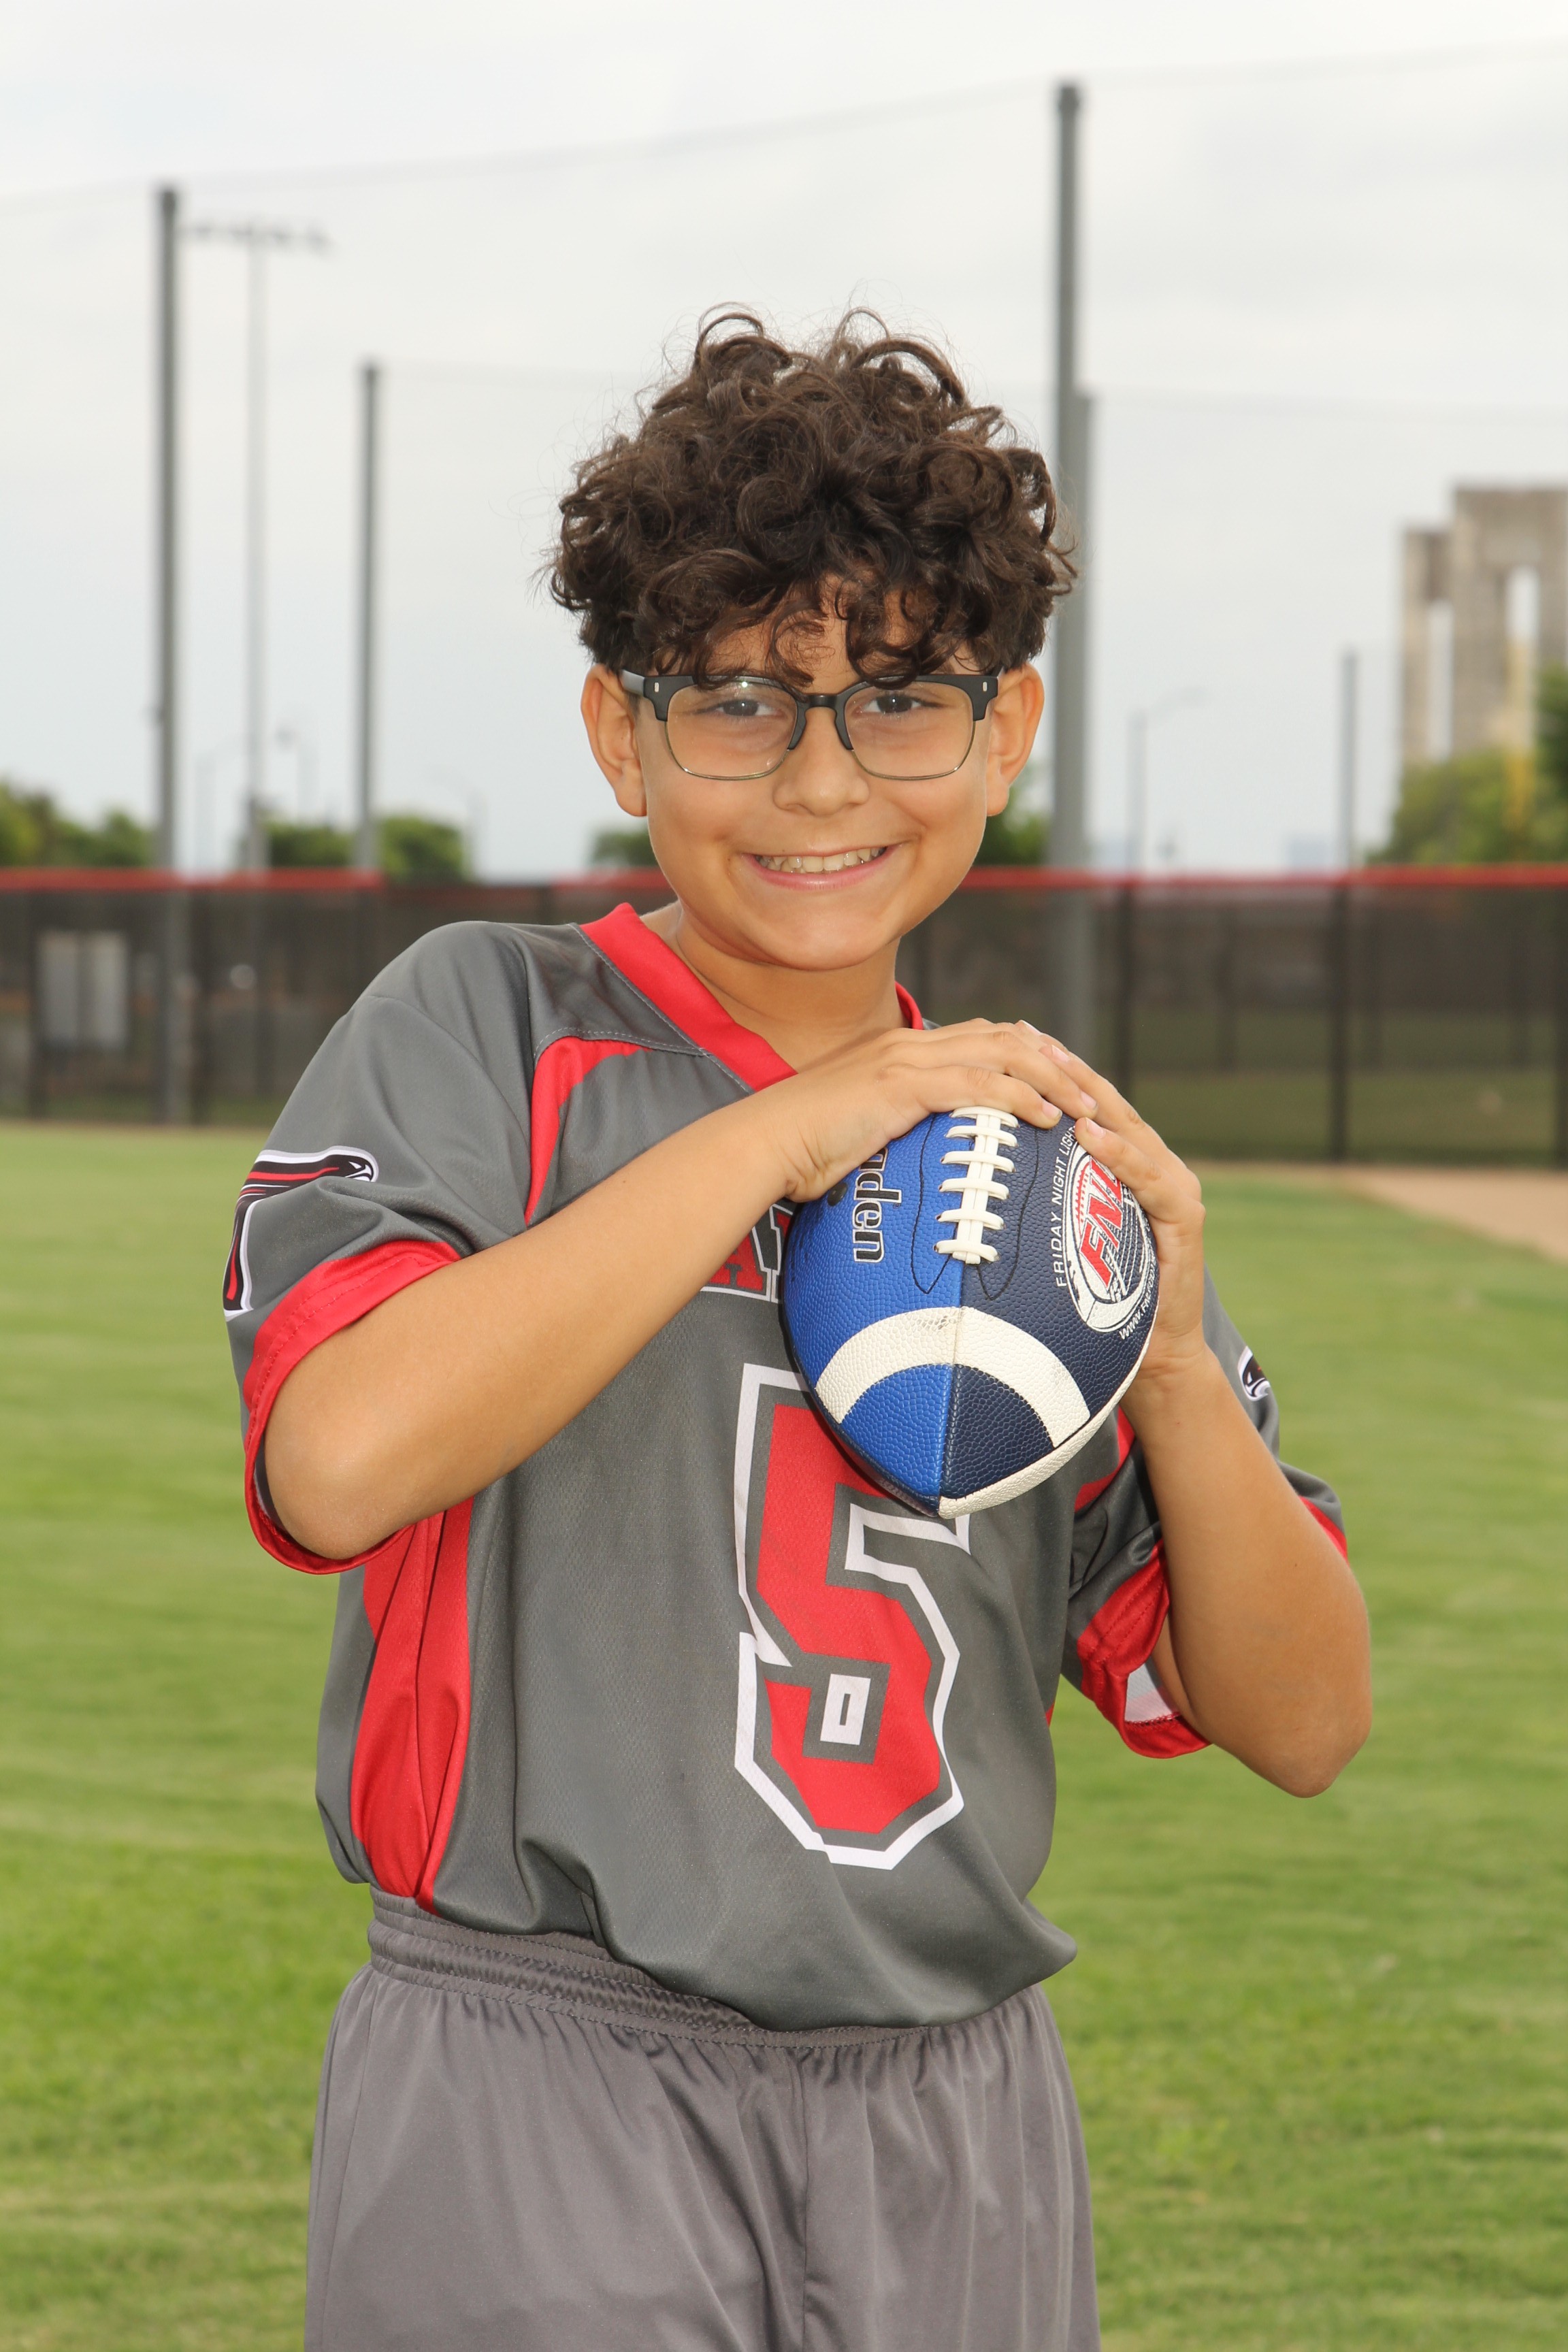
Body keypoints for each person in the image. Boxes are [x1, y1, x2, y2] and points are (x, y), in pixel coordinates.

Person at [225, 314, 1371, 2352]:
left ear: (1006, 735)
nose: (824, 778)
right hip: (544, 2062)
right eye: (740, 699)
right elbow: (337, 1459)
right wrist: (787, 1127)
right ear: (622, 732)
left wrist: (1182, 1363)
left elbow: (1301, 1722)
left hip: (950, 2106)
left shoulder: (1032, 1171)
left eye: (902, 700)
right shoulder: (491, 1026)